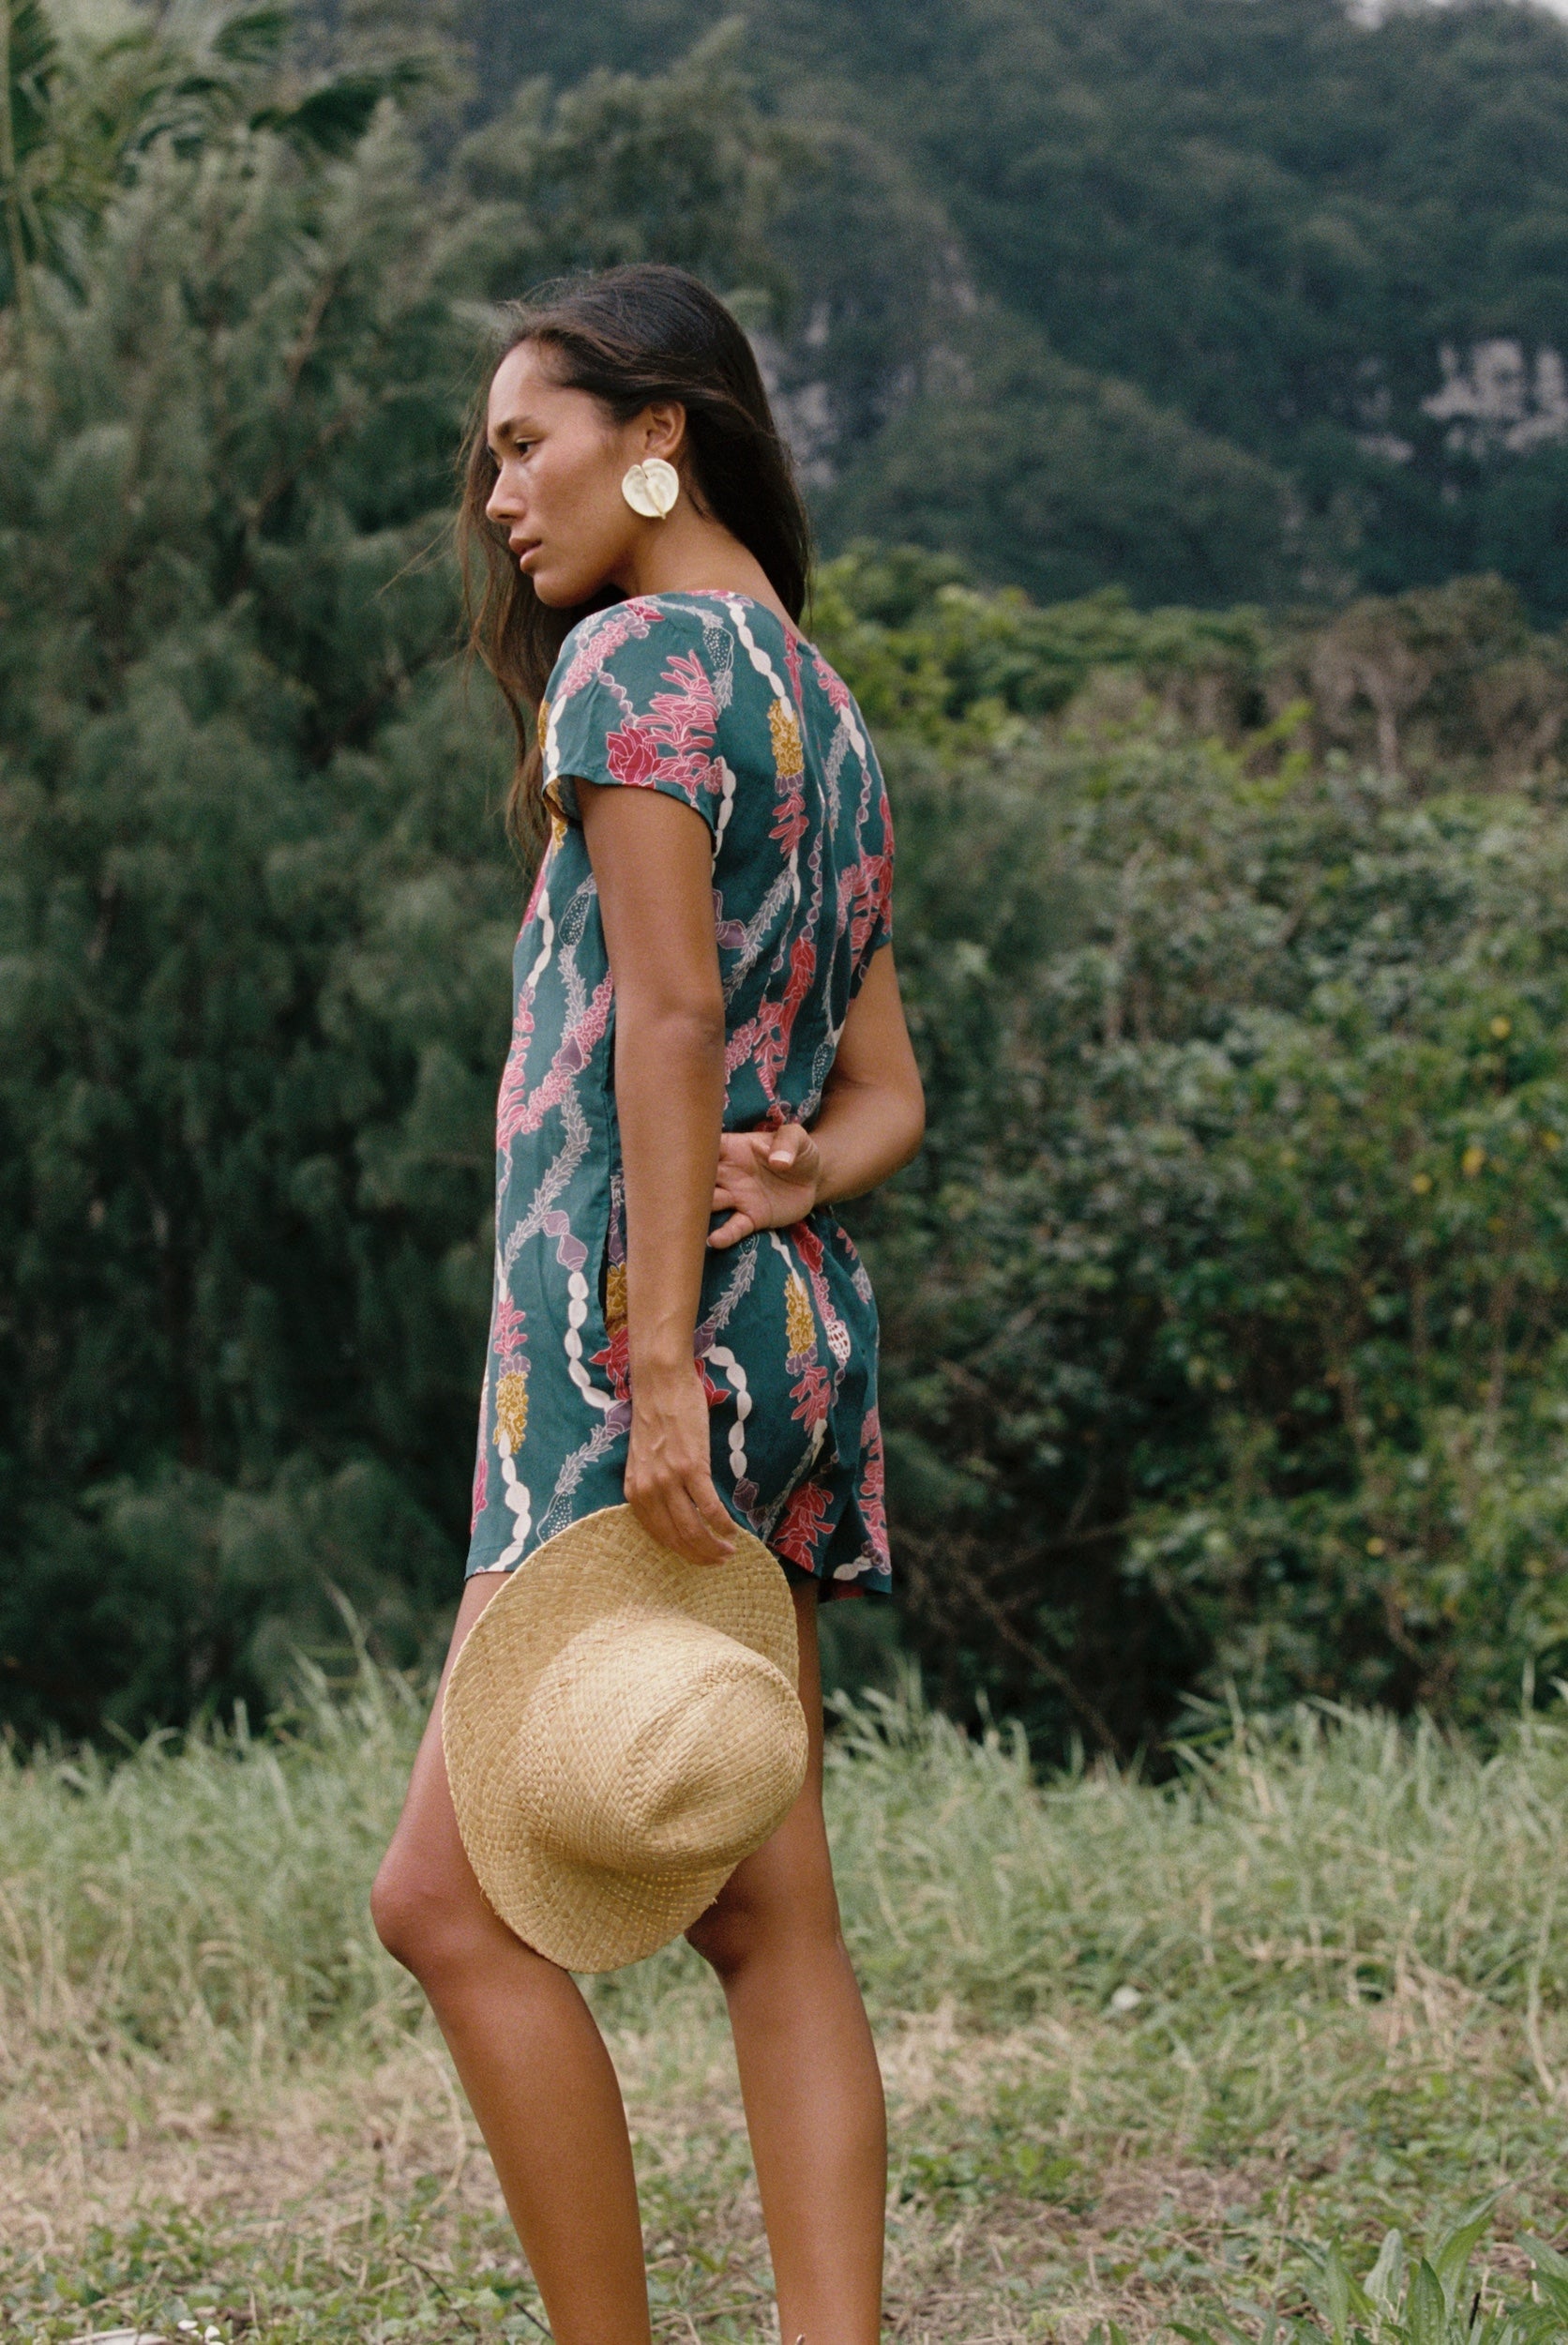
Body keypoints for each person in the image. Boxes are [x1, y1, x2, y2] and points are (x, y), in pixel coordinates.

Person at [370, 262, 925, 2345]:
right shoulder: (822, 705)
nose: (501, 497)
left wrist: (663, 1362)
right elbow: (884, 1093)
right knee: (774, 1919)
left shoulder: (628, 670)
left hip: (640, 1347)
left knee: (440, 1900)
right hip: (788, 1330)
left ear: (656, 432)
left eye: (526, 442)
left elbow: (670, 1013)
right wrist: (802, 1170)